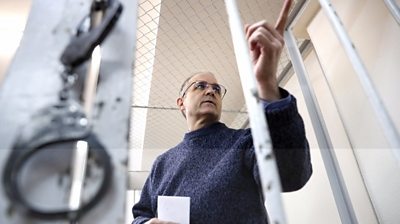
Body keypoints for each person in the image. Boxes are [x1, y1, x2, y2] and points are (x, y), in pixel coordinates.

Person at [132, 0, 312, 223]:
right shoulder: (162, 163)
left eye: (216, 88)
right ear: (181, 102)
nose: (211, 91)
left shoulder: (244, 142)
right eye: (200, 86)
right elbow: (141, 213)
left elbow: (291, 174)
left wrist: (267, 84)